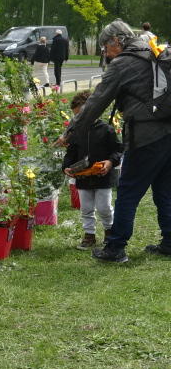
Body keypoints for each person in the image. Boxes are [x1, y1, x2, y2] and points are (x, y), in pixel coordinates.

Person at [56, 18, 171, 263]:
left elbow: (95, 104)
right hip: (168, 132)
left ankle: (116, 247)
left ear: (116, 41)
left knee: (128, 191)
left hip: (146, 136)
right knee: (164, 189)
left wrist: (70, 133)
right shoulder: (153, 51)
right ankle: (170, 241)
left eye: (105, 48)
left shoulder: (122, 64)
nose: (106, 53)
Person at [62, 91, 123, 250]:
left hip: (103, 176)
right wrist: (66, 166)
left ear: (94, 110)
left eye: (81, 115)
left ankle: (110, 231)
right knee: (86, 208)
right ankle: (89, 235)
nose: (78, 119)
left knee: (104, 206)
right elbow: (71, 152)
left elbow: (117, 150)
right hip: (83, 177)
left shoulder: (107, 130)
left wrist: (110, 162)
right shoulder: (77, 132)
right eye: (76, 116)